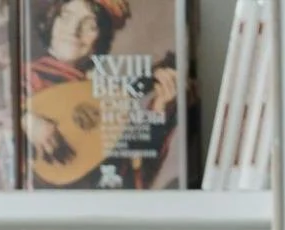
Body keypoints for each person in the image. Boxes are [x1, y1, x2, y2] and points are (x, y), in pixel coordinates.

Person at [24, 0, 182, 189]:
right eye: (65, 17)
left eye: (90, 24)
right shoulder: (23, 77)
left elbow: (132, 179)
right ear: (51, 20)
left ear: (101, 37)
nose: (73, 31)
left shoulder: (104, 95)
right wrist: (26, 119)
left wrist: (158, 111)